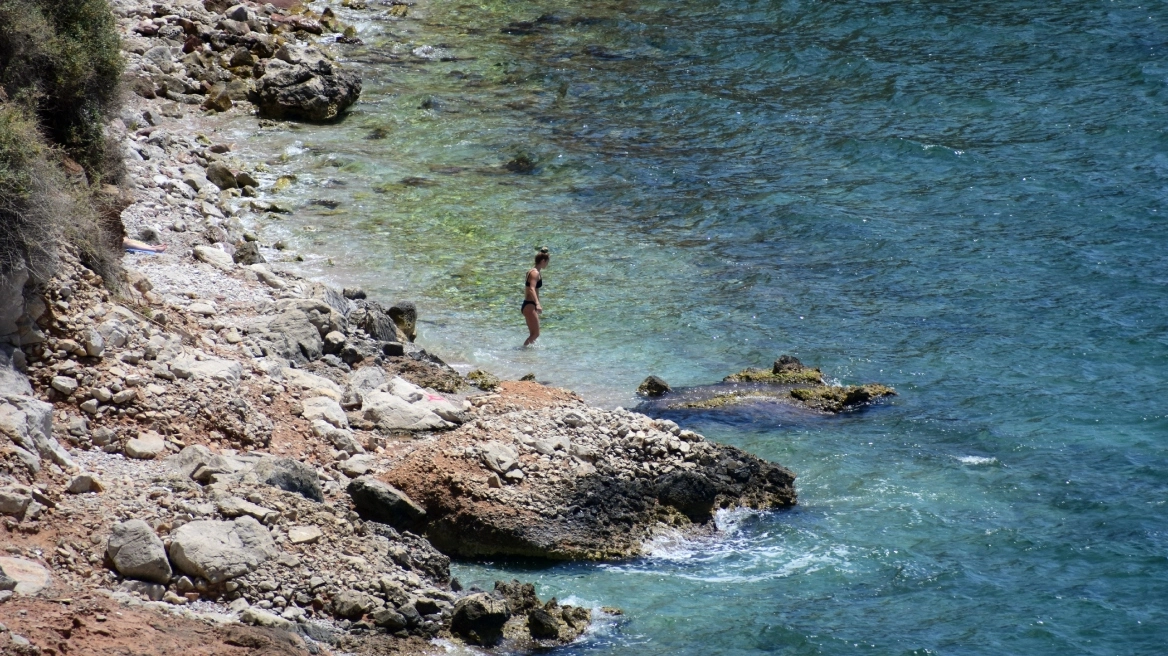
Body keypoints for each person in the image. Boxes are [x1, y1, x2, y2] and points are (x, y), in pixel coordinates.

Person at [522, 247, 550, 346]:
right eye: (547, 262)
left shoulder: (532, 271)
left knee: (533, 334)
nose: (547, 264)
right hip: (530, 305)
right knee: (536, 334)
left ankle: (524, 354)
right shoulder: (535, 273)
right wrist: (537, 304)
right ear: (543, 261)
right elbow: (531, 288)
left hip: (528, 305)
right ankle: (523, 353)